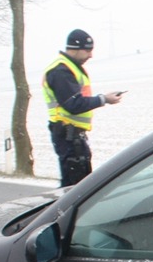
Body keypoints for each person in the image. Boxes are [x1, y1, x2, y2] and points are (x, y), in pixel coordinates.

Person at [42, 29, 123, 187]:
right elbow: (73, 104)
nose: (91, 55)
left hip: (73, 136)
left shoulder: (69, 68)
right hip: (68, 136)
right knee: (75, 188)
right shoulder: (61, 71)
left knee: (81, 186)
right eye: (88, 50)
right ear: (74, 47)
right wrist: (104, 99)